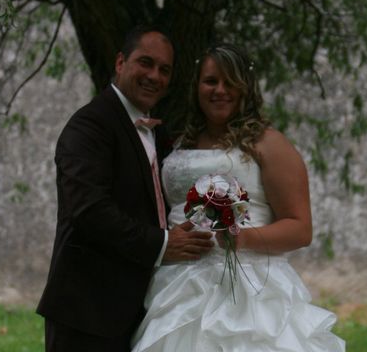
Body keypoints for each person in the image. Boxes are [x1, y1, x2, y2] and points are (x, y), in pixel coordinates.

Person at [131, 43, 345, 352]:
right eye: (211, 81)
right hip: (178, 286)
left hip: (249, 289)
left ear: (247, 87)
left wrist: (241, 238)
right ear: (197, 86)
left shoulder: (270, 144)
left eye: (231, 82)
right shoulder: (179, 141)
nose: (220, 90)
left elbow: (300, 229)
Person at [36, 27, 214, 352]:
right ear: (120, 62)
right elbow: (88, 211)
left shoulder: (157, 133)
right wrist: (163, 243)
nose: (154, 76)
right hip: (88, 311)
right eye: (145, 63)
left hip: (140, 306)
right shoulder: (89, 127)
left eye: (165, 70)